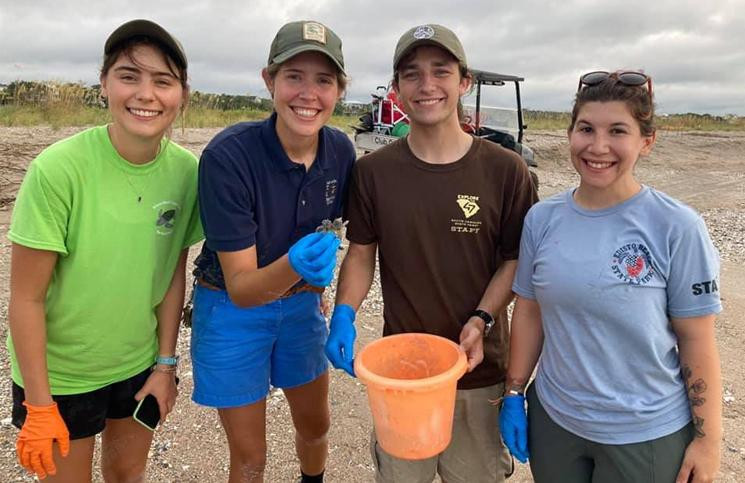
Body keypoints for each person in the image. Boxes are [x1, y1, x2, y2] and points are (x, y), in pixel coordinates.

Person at [325, 24, 537, 483]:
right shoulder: (374, 172)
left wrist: (481, 318)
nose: (426, 86)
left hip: (479, 372)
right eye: (411, 74)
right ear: (397, 88)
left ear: (464, 82)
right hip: (403, 376)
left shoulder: (506, 170)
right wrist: (343, 312)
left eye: (440, 71)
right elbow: (361, 253)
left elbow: (515, 260)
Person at [499, 71, 722, 483]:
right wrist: (514, 392)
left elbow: (696, 337)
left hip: (644, 433)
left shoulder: (676, 227)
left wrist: (708, 440)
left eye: (617, 131)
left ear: (646, 141)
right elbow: (529, 311)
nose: (597, 146)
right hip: (556, 423)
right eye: (586, 129)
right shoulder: (542, 220)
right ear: (570, 134)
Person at [8, 19, 201, 482]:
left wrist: (166, 364)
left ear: (182, 95)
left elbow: (173, 271)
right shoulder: (58, 170)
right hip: (62, 376)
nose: (146, 94)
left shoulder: (187, 172)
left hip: (138, 365)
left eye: (162, 80)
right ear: (104, 84)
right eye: (129, 76)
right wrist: (39, 404)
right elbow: (26, 298)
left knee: (127, 475)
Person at [190, 20, 354, 483]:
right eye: (293, 76)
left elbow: (347, 230)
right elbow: (242, 288)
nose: (308, 93)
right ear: (269, 81)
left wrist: (329, 297)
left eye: (324, 80)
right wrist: (295, 265)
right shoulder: (230, 157)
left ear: (339, 90)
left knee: (317, 427)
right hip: (230, 306)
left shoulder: (340, 152)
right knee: (249, 457)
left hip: (300, 304)